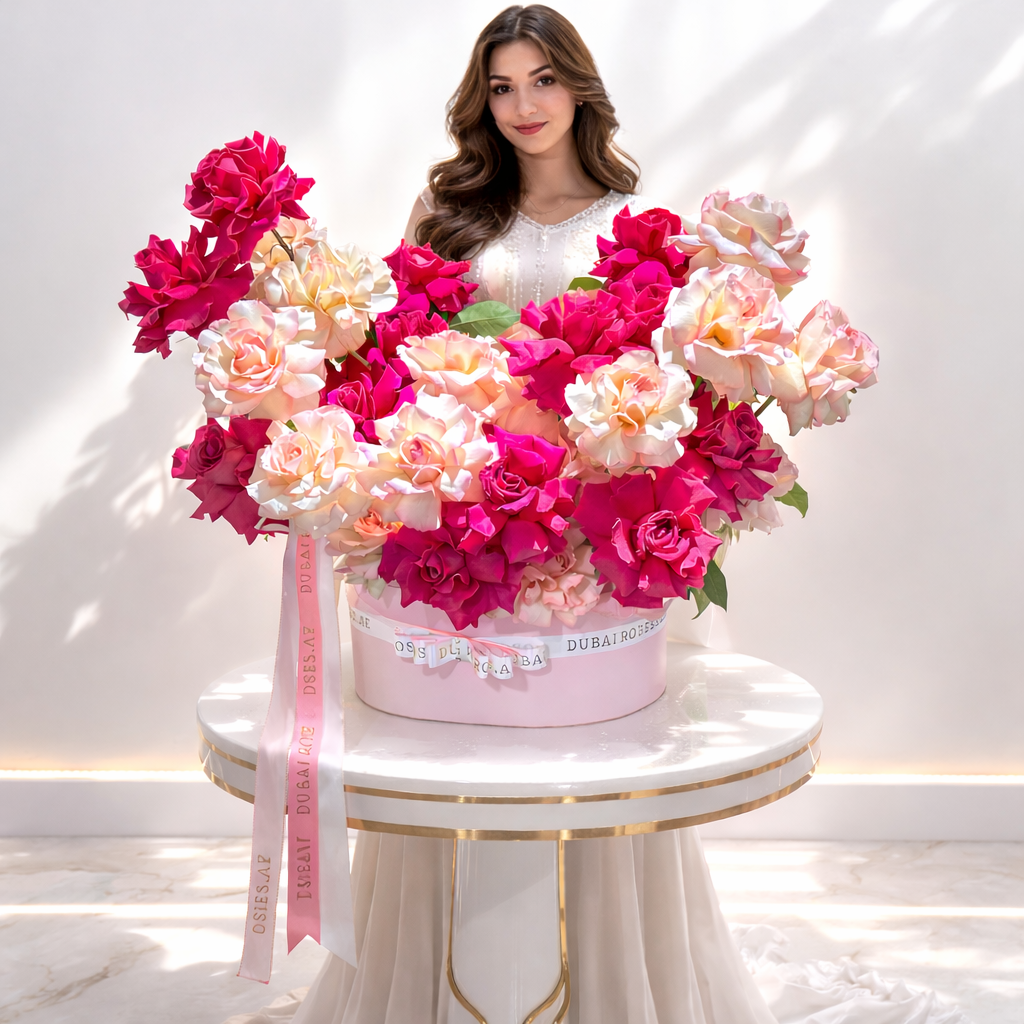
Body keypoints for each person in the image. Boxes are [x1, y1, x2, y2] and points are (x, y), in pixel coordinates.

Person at [226, 8, 964, 1024]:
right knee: (451, 756)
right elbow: (399, 363)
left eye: (541, 81)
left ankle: (616, 987)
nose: (522, 106)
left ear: (580, 88)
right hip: (463, 518)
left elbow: (660, 375)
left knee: (595, 767)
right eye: (500, 87)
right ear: (479, 101)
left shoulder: (629, 217)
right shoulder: (447, 214)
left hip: (594, 530)